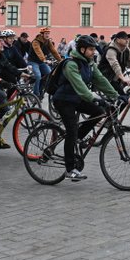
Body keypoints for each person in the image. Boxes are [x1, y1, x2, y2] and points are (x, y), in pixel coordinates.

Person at [51, 35, 119, 181]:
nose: (93, 52)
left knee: (99, 112)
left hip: (77, 99)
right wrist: (95, 98)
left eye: (94, 49)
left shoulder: (90, 63)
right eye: (90, 49)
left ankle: (77, 138)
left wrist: (115, 95)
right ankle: (70, 169)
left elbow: (100, 80)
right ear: (82, 50)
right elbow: (80, 88)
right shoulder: (71, 64)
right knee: (71, 131)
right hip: (64, 100)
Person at [28, 27, 62, 97]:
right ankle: (35, 94)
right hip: (33, 61)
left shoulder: (48, 41)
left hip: (41, 62)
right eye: (46, 33)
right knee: (37, 76)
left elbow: (54, 51)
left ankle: (40, 90)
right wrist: (44, 60)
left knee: (49, 74)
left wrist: (61, 60)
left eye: (48, 33)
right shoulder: (36, 41)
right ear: (42, 34)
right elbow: (38, 51)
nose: (47, 35)